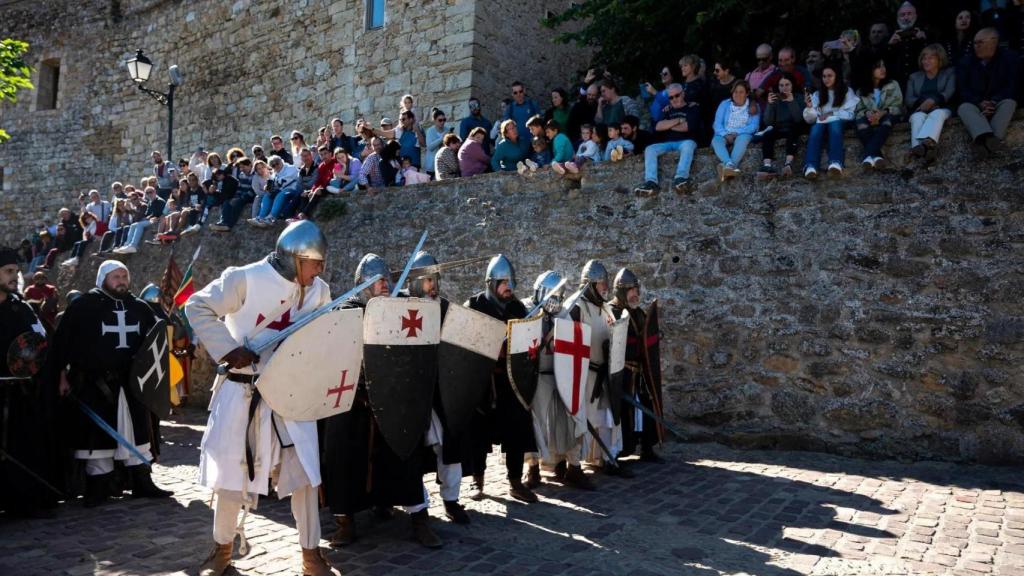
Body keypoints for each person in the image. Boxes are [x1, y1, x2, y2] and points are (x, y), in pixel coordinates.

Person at [185, 222, 339, 576]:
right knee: (231, 475)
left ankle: (311, 554)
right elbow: (198, 306)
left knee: (305, 474)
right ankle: (222, 549)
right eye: (316, 262)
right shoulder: (245, 279)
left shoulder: (319, 291)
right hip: (243, 392)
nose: (321, 270)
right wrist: (229, 350)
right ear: (296, 259)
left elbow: (327, 334)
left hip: (291, 395)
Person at [321, 254, 442, 549]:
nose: (385, 285)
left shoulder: (401, 310)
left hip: (393, 398)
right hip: (355, 398)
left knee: (405, 456)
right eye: (377, 281)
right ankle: (345, 521)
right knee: (343, 458)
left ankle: (419, 519)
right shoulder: (345, 311)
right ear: (362, 285)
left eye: (387, 279)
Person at [48, 260, 173, 507]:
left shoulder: (139, 307)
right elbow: (62, 344)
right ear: (103, 278)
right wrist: (61, 376)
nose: (121, 280)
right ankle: (98, 487)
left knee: (137, 431)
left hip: (133, 383)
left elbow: (157, 344)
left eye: (124, 276)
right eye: (115, 276)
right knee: (97, 437)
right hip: (95, 384)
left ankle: (142, 482)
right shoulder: (84, 306)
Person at [403, 251, 471, 524]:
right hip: (409, 393)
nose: (434, 285)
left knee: (450, 444)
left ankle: (451, 500)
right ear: (417, 281)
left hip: (440, 392)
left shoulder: (444, 307)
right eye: (429, 280)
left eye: (436, 279)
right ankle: (415, 508)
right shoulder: (398, 307)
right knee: (409, 449)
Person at [464, 255, 538, 502]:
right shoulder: (474, 306)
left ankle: (515, 482)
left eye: (511, 281)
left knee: (515, 431)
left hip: (511, 380)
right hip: (483, 381)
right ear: (491, 283)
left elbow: (528, 344)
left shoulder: (518, 308)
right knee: (479, 431)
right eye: (503, 282)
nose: (509, 287)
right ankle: (478, 480)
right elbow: (464, 343)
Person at [0, 248, 60, 518]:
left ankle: (25, 500)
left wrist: (56, 374)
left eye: (16, 271)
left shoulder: (21, 308)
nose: (16, 277)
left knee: (24, 444)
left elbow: (42, 344)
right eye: (8, 272)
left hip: (22, 392)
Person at [522, 271, 595, 491]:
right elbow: (521, 346)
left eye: (560, 295)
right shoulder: (526, 310)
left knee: (573, 415)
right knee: (535, 421)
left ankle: (573, 467)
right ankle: (532, 468)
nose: (557, 299)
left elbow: (572, 344)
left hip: (562, 373)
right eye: (554, 294)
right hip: (537, 375)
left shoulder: (564, 315)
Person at [566, 260, 632, 478]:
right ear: (589, 285)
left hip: (603, 376)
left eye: (605, 283)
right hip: (583, 376)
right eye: (600, 283)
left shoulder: (605, 309)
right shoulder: (576, 307)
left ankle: (607, 459)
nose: (605, 287)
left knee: (607, 420)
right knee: (578, 421)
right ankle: (573, 467)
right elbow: (568, 344)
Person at [608, 269, 663, 464]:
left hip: (638, 374)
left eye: (636, 289)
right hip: (620, 375)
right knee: (623, 413)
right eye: (630, 290)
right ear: (621, 292)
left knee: (647, 408)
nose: (635, 294)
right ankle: (620, 451)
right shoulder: (611, 312)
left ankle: (647, 449)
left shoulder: (639, 313)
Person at [957, 27, 1020, 159]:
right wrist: (980, 103)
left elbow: (1013, 86)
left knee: (1010, 103)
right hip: (977, 104)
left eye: (980, 42)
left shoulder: (1010, 58)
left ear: (994, 42)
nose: (976, 46)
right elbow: (963, 89)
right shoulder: (966, 62)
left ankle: (986, 142)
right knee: (963, 107)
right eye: (975, 43)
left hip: (999, 101)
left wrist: (993, 102)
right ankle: (987, 137)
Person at [634, 84, 702, 196]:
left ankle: (681, 178)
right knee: (650, 149)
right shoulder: (667, 110)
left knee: (689, 145)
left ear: (683, 94)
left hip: (685, 141)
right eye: (671, 97)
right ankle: (651, 182)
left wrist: (668, 125)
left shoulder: (692, 107)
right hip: (668, 143)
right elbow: (657, 126)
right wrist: (679, 120)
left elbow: (688, 127)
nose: (674, 99)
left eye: (677, 95)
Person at [802, 64, 857, 179]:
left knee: (835, 125)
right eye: (824, 76)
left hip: (839, 121)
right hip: (821, 123)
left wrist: (832, 114)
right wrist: (810, 107)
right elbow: (811, 119)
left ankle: (836, 162)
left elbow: (851, 114)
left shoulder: (847, 91)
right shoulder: (818, 94)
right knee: (815, 128)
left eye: (830, 76)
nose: (826, 79)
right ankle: (811, 165)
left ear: (837, 76)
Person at [905, 44, 956, 164]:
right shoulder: (914, 77)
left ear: (940, 59)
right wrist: (924, 104)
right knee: (917, 117)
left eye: (930, 58)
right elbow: (909, 99)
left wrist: (933, 101)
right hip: (919, 109)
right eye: (924, 58)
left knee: (938, 113)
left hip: (942, 108)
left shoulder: (949, 73)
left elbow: (949, 92)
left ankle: (926, 143)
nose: (926, 61)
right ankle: (921, 148)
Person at [854, 58, 903, 170]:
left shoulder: (893, 84)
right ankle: (877, 157)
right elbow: (858, 111)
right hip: (869, 118)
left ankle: (867, 155)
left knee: (887, 121)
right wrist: (867, 113)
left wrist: (884, 112)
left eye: (884, 66)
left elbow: (899, 107)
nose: (882, 69)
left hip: (888, 115)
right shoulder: (861, 91)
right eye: (878, 67)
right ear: (869, 70)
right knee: (861, 124)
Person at [711, 80, 760, 181]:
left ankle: (727, 168)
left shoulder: (754, 106)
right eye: (735, 92)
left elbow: (754, 126)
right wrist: (725, 134)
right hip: (724, 134)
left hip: (742, 134)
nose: (737, 94)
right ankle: (729, 164)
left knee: (743, 139)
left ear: (747, 93)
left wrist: (737, 133)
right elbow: (717, 123)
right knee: (716, 140)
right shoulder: (725, 104)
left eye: (741, 92)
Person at [758, 73, 803, 179]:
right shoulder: (776, 98)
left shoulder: (799, 97)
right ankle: (767, 166)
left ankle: (788, 164)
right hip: (778, 127)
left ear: (793, 85)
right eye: (781, 85)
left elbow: (798, 119)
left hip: (794, 127)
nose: (784, 88)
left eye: (787, 84)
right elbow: (768, 121)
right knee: (768, 133)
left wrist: (792, 101)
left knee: (794, 130)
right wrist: (769, 104)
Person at [886, 1, 929, 88]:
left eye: (909, 14)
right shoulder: (889, 36)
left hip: (920, 83)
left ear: (915, 16)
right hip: (897, 84)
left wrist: (924, 41)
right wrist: (889, 45)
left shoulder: (925, 34)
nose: (906, 18)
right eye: (902, 15)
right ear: (898, 18)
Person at [252, 155, 300, 227]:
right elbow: (273, 185)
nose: (276, 166)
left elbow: (292, 181)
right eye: (273, 165)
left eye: (277, 163)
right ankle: (261, 218)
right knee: (268, 194)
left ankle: (272, 217)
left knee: (281, 193)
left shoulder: (291, 168)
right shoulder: (274, 174)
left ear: (281, 161)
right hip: (283, 192)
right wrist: (268, 187)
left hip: (293, 190)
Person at [503, 81, 541, 157]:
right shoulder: (510, 108)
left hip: (534, 144)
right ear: (512, 94)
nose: (518, 94)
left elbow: (540, 122)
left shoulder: (532, 104)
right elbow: (506, 127)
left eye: (520, 91)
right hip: (518, 145)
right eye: (515, 93)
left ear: (524, 91)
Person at [424, 108, 448, 177]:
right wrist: (441, 139)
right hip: (432, 165)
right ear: (434, 121)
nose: (442, 122)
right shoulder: (430, 131)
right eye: (440, 120)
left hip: (444, 164)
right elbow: (430, 147)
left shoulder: (447, 129)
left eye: (444, 120)